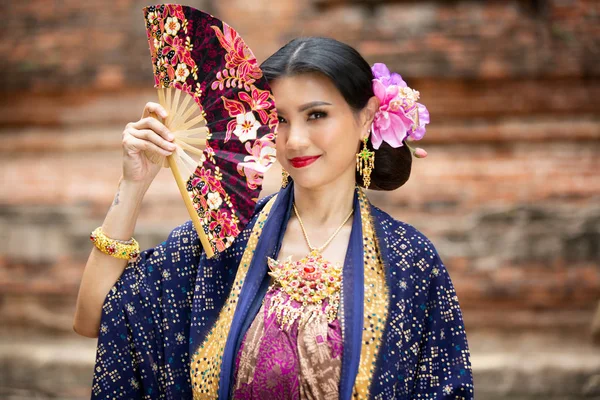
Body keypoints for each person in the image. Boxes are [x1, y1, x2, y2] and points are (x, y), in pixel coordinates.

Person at [73, 36, 474, 399]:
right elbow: (94, 317)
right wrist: (134, 184)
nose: (294, 139)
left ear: (367, 118)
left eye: (316, 115)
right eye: (280, 119)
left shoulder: (408, 261)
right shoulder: (222, 241)